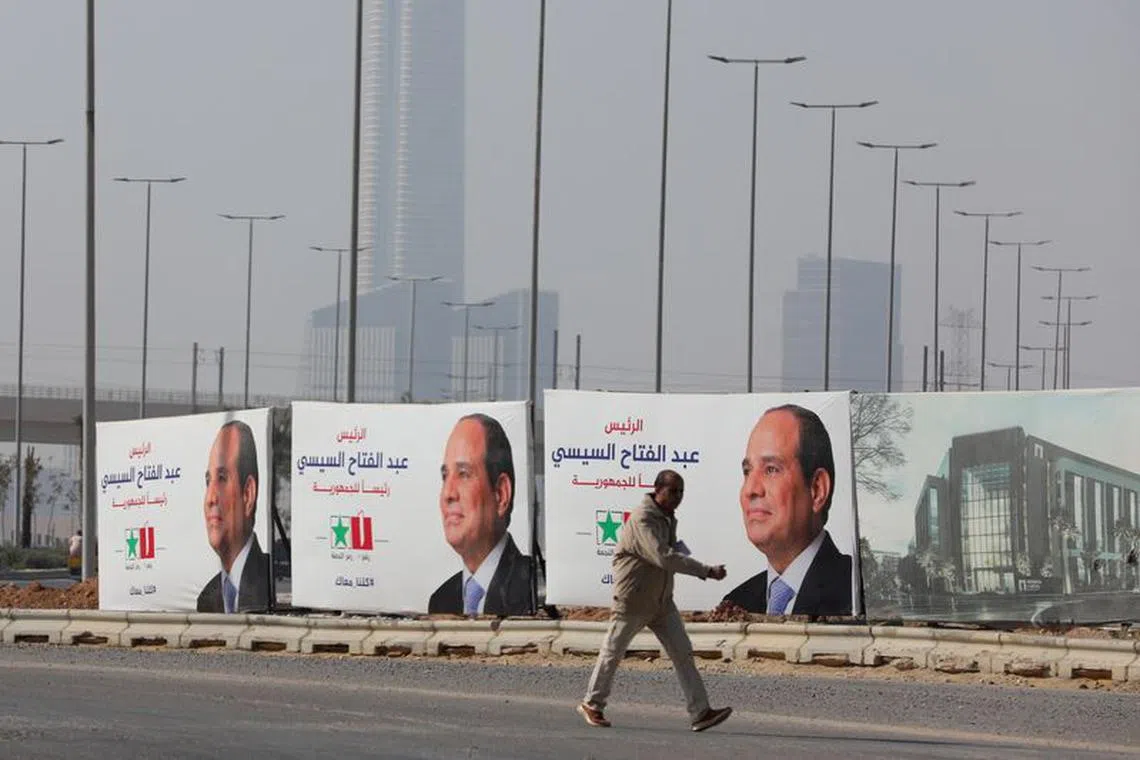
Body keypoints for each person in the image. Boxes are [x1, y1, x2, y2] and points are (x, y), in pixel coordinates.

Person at [577, 469, 733, 733]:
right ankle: (592, 703)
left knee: (683, 653)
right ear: (658, 489)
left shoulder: (668, 518)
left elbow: (670, 555)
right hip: (633, 600)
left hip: (661, 602)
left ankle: (701, 712)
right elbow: (664, 557)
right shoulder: (643, 519)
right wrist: (705, 570)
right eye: (673, 491)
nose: (678, 497)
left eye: (681, 492)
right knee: (613, 652)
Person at [722, 403, 853, 616]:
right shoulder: (736, 603)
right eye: (747, 471)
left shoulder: (859, 595)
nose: (750, 489)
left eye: (771, 469)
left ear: (817, 489)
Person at [429, 413, 533, 616]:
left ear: (501, 494)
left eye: (464, 474)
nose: (448, 494)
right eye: (445, 476)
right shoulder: (441, 601)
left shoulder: (534, 589)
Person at [197, 419, 270, 613]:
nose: (210, 498)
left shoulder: (271, 587)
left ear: (248, 495)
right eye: (208, 481)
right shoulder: (207, 598)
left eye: (222, 479)